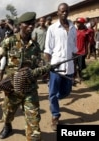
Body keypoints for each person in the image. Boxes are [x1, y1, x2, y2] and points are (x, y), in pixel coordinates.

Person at [0, 12, 42, 140]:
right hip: (12, 87)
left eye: (32, 24)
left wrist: (44, 69)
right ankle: (7, 126)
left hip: (30, 88)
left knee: (34, 121)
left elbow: (40, 65)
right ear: (20, 25)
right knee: (8, 112)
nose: (31, 27)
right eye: (27, 24)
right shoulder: (9, 41)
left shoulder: (35, 46)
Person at [44, 3, 78, 131]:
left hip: (69, 66)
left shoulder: (73, 28)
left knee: (66, 92)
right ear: (57, 13)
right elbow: (47, 50)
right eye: (62, 11)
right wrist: (48, 67)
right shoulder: (52, 28)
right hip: (56, 67)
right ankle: (55, 116)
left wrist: (76, 68)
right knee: (53, 93)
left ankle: (53, 101)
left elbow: (74, 49)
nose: (64, 13)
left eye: (66, 11)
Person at [74, 17, 88, 82]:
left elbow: (87, 42)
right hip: (74, 51)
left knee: (80, 66)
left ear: (83, 24)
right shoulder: (74, 31)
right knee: (73, 65)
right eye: (77, 22)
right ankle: (73, 77)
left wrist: (87, 51)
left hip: (82, 52)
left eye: (79, 23)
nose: (77, 24)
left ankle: (80, 75)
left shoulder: (86, 32)